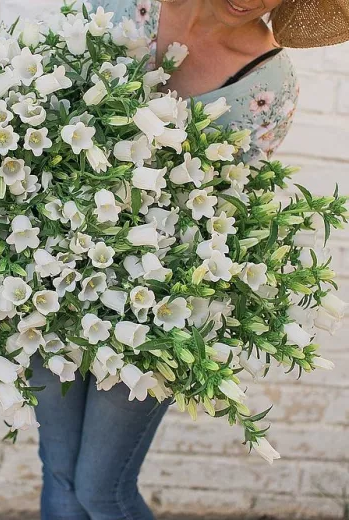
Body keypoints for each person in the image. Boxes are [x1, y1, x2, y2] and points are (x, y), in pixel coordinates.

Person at [30, 1, 349, 519]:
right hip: (50, 278)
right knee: (60, 473)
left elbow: (230, 210)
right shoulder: (121, 8)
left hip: (157, 309)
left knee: (100, 490)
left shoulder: (269, 82)